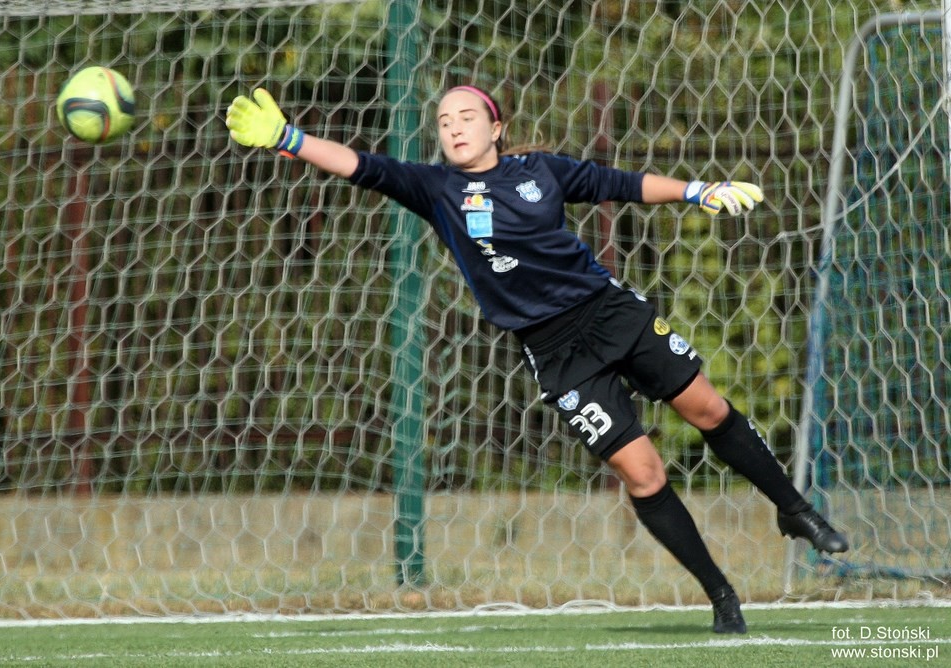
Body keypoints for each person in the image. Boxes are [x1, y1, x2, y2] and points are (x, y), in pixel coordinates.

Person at [225, 84, 849, 634]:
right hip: (555, 353)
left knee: (707, 408)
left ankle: (795, 511)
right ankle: (721, 595)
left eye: (466, 117)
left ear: (495, 127)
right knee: (643, 475)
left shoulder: (539, 171)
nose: (454, 128)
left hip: (612, 314)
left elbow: (621, 185)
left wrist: (697, 191)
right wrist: (288, 138)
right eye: (443, 121)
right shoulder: (436, 189)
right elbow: (361, 165)